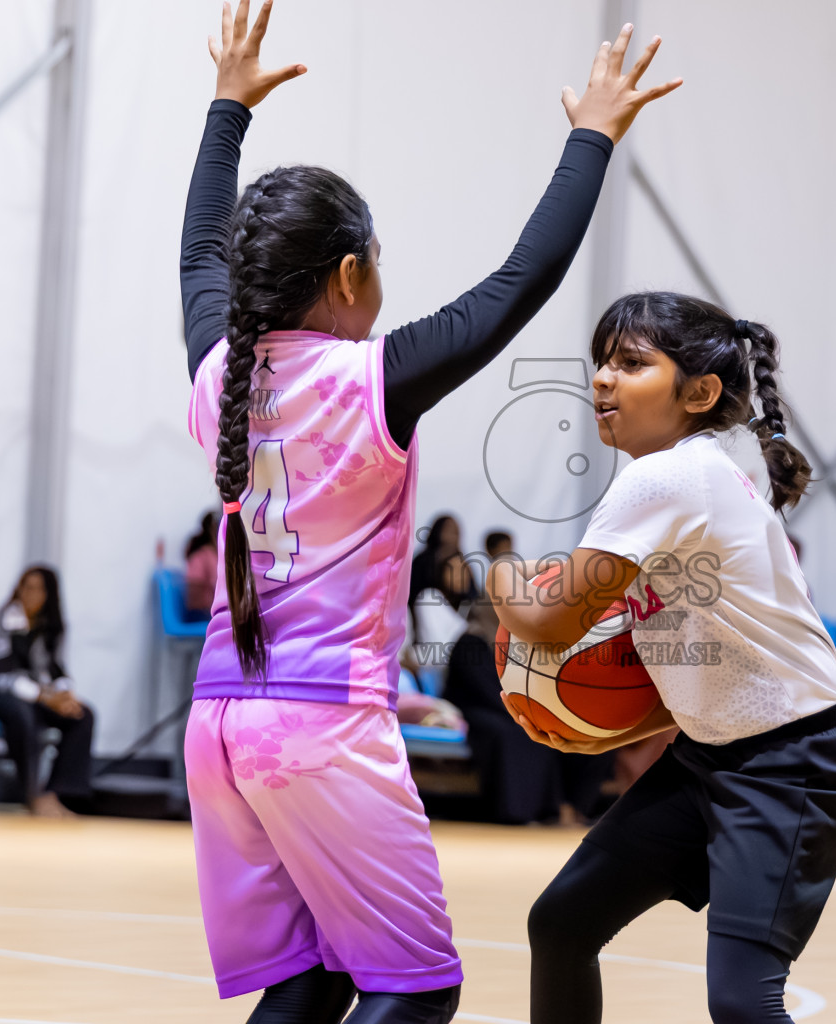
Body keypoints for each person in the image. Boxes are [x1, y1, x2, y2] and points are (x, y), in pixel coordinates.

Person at [178, 6, 678, 1020]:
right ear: (354, 273)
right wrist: (593, 136)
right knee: (418, 989)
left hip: (219, 721)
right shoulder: (373, 381)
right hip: (324, 722)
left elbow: (197, 253)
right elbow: (521, 284)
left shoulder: (219, 365)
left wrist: (225, 108)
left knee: (312, 978)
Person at [487, 293, 836, 1024]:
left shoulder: (668, 477)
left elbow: (551, 623)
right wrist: (593, 727)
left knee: (743, 1001)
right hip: (712, 756)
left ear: (700, 392)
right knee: (562, 922)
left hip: (791, 763)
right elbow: (693, 671)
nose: (602, 378)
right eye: (600, 361)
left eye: (630, 363)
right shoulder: (695, 472)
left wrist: (500, 572)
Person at [443, 596, 613, 825]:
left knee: (586, 733)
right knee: (517, 734)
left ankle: (574, 808)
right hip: (475, 710)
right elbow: (484, 691)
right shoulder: (471, 642)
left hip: (513, 709)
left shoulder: (518, 645)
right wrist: (527, 714)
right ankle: (527, 813)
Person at [0, 567, 94, 817]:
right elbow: (1, 676)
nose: (30, 594)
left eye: (38, 589)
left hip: (31, 692)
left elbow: (55, 668)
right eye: (26, 587)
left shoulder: (51, 626)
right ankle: (32, 793)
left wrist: (66, 695)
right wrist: (47, 698)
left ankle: (58, 793)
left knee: (82, 715)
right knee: (22, 715)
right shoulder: (0, 620)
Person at [184, 512, 220, 620]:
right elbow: (217, 584)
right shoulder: (206, 554)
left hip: (207, 610)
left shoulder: (210, 553)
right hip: (200, 613)